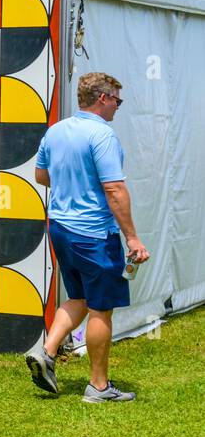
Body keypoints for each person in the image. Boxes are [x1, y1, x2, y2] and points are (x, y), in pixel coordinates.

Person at [25, 72, 149, 403]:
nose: (118, 108)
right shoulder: (102, 135)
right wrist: (133, 238)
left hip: (61, 228)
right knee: (101, 308)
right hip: (94, 234)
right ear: (103, 98)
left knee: (78, 297)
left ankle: (47, 353)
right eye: (117, 101)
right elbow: (114, 188)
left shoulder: (56, 131)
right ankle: (98, 386)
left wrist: (71, 184)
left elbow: (40, 175)